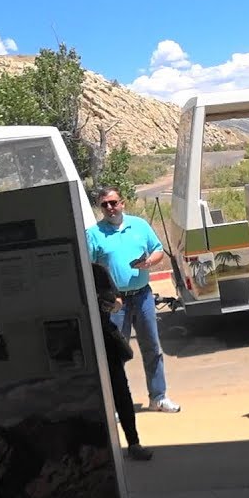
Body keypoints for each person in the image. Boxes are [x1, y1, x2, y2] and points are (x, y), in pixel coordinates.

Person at [86, 187, 181, 413]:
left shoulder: (139, 225)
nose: (110, 207)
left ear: (123, 203)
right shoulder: (93, 234)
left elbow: (157, 249)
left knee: (152, 349)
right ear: (100, 208)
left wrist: (149, 262)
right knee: (115, 355)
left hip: (143, 296)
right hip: (115, 303)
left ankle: (158, 398)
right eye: (105, 204)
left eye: (113, 202)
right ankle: (116, 405)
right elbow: (89, 269)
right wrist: (105, 298)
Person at [90, 262, 154, 461]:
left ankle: (133, 443)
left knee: (121, 392)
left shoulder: (97, 271)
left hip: (106, 340)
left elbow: (117, 301)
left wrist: (108, 305)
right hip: (77, 343)